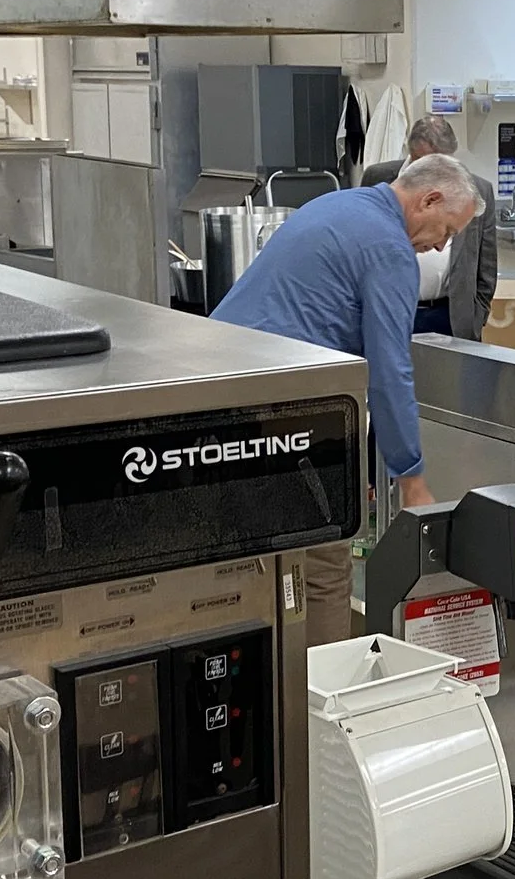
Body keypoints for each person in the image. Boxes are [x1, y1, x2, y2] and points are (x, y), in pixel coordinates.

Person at [212, 153, 481, 645]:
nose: (443, 244)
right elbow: (389, 370)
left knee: (247, 564)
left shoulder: (337, 205)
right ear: (429, 199)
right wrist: (412, 476)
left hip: (220, 388)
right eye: (447, 229)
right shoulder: (389, 249)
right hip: (282, 405)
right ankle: (321, 704)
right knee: (324, 561)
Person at [362, 115, 498, 340]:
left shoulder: (477, 190)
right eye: (428, 162)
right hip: (394, 310)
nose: (436, 172)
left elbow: (487, 264)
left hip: (451, 315)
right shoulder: (378, 178)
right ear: (412, 153)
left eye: (444, 162)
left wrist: (478, 314)